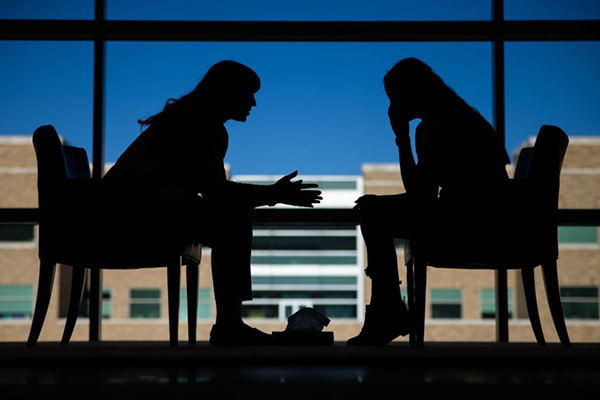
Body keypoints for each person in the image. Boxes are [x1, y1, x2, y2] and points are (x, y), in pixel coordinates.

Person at [103, 60, 322, 345]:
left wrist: (271, 194)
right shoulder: (199, 122)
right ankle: (229, 325)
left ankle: (229, 324)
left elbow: (214, 191)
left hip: (130, 211)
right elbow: (216, 193)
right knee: (232, 219)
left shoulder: (197, 120)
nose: (254, 102)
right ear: (227, 91)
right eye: (249, 93)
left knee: (231, 216)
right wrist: (273, 195)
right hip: (131, 217)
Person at [347, 57, 510, 345]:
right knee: (374, 209)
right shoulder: (462, 116)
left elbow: (419, 193)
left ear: (411, 93)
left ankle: (387, 312)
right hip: (489, 217)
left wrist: (401, 138)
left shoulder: (439, 125)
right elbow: (424, 193)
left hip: (470, 221)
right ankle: (389, 310)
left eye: (395, 98)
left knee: (373, 212)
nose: (392, 107)